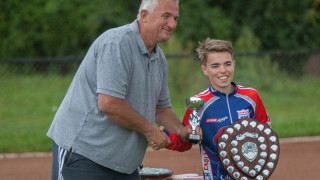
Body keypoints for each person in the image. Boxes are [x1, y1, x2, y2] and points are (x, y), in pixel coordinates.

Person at [47, 0, 200, 179]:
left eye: (175, 18)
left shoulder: (159, 59)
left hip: (125, 165)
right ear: (144, 16)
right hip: (84, 154)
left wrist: (182, 131)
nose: (172, 24)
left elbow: (161, 109)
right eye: (166, 16)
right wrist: (150, 131)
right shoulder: (117, 43)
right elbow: (110, 104)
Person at [166, 38, 271, 180]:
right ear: (205, 70)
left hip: (249, 174)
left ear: (234, 64)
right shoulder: (197, 104)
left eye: (227, 64)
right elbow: (185, 141)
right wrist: (164, 137)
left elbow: (265, 132)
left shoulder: (251, 96)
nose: (223, 70)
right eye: (215, 66)